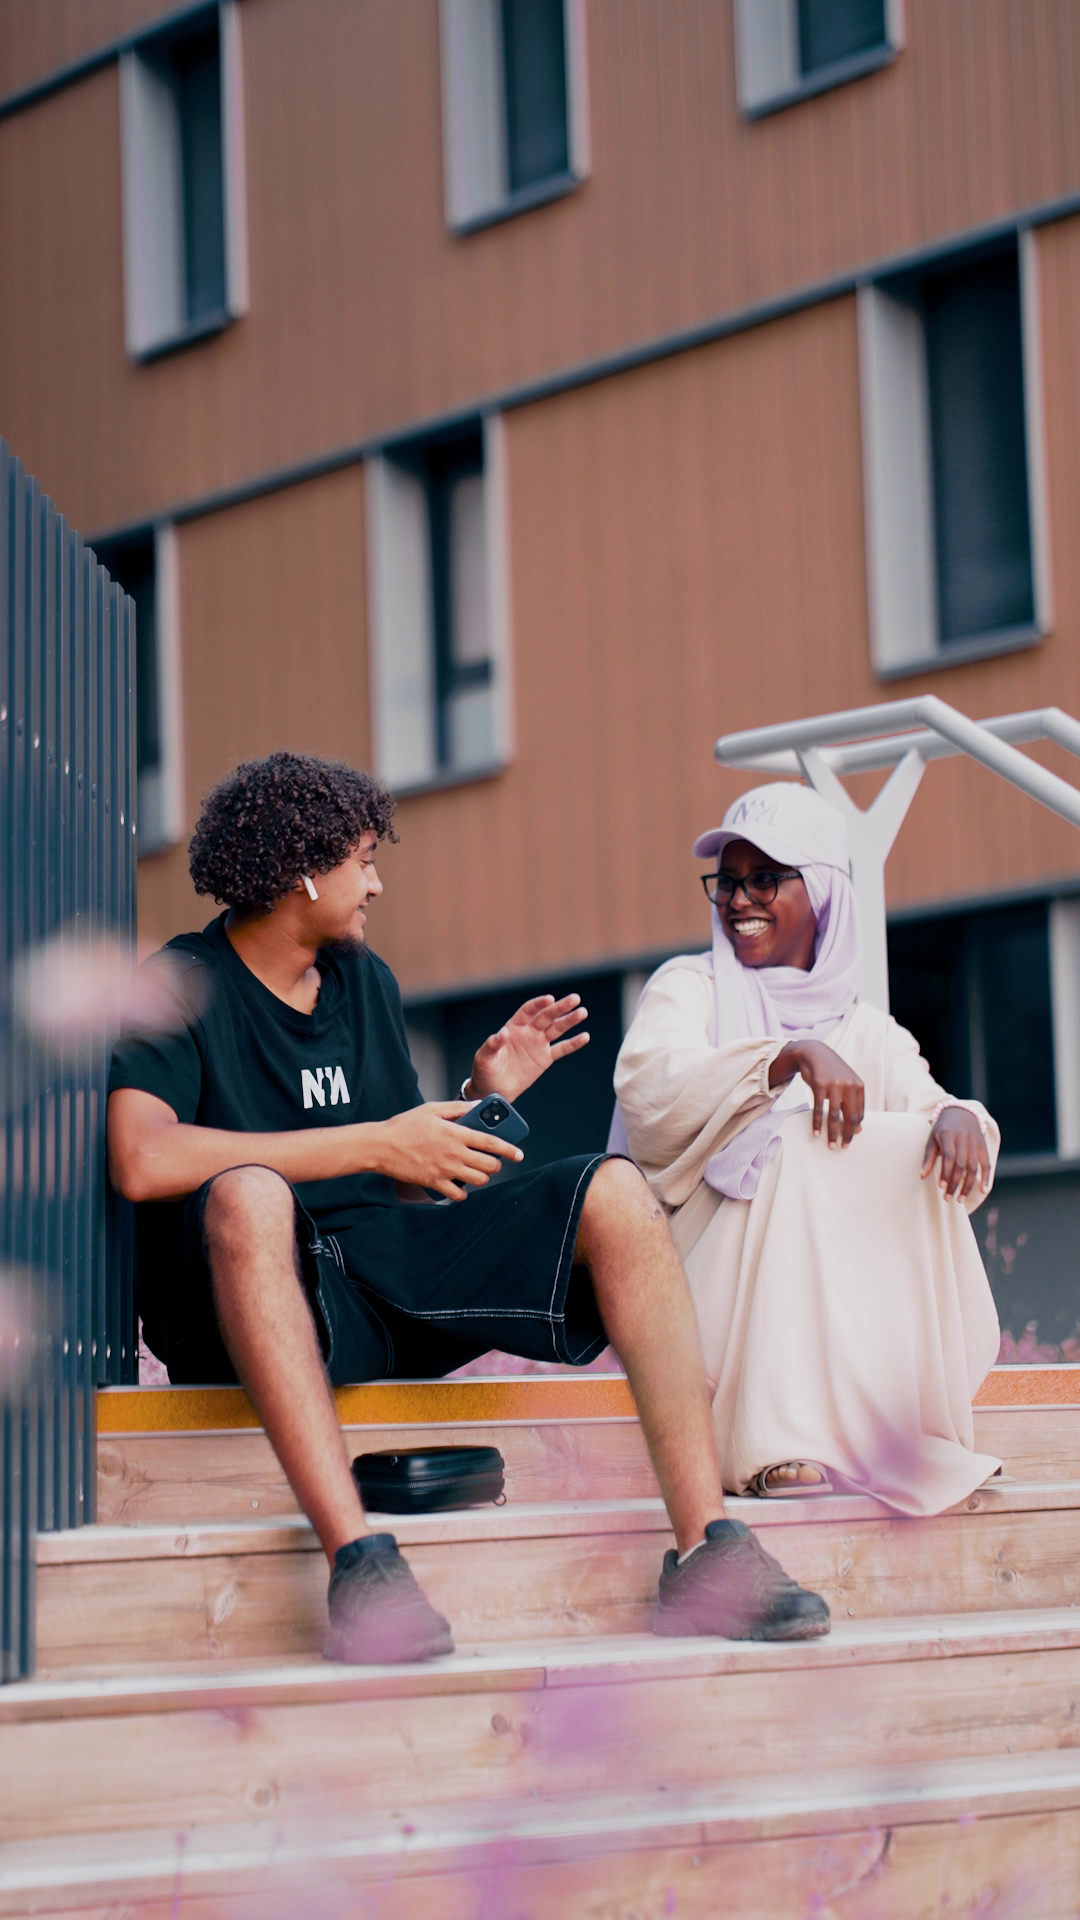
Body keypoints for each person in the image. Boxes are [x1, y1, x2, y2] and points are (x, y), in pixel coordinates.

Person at [107, 752, 830, 1664]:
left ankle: (707, 1553)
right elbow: (141, 1157)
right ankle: (360, 1565)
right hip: (247, 1301)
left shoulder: (362, 981)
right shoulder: (180, 985)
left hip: (372, 1280)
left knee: (609, 1186)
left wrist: (478, 1101)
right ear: (302, 869)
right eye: (362, 858)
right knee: (248, 1195)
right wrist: (375, 1142)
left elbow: (402, 1179)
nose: (375, 882)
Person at [611, 782, 1003, 1518]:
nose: (738, 900)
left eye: (765, 879)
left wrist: (958, 1117)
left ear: (821, 890)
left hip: (847, 1297)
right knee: (789, 1138)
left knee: (914, 1147)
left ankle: (897, 1425)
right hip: (700, 1274)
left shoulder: (867, 1029)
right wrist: (784, 1058)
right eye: (727, 881)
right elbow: (650, 1093)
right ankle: (772, 1437)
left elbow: (928, 1105)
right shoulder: (687, 988)